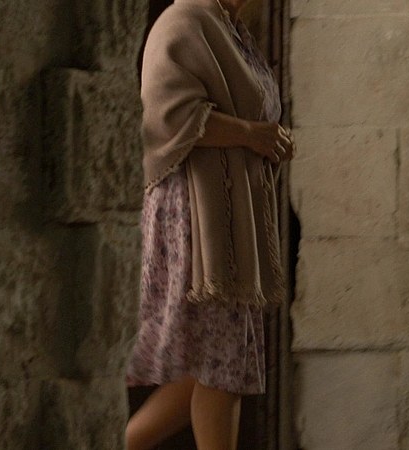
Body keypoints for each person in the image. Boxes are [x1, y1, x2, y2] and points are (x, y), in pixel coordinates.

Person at [125, 0, 296, 449]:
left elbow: (256, 114)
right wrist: (251, 135)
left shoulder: (231, 30)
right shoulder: (184, 21)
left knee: (217, 365)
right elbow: (165, 116)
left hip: (229, 218)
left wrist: (269, 140)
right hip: (196, 219)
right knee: (222, 369)